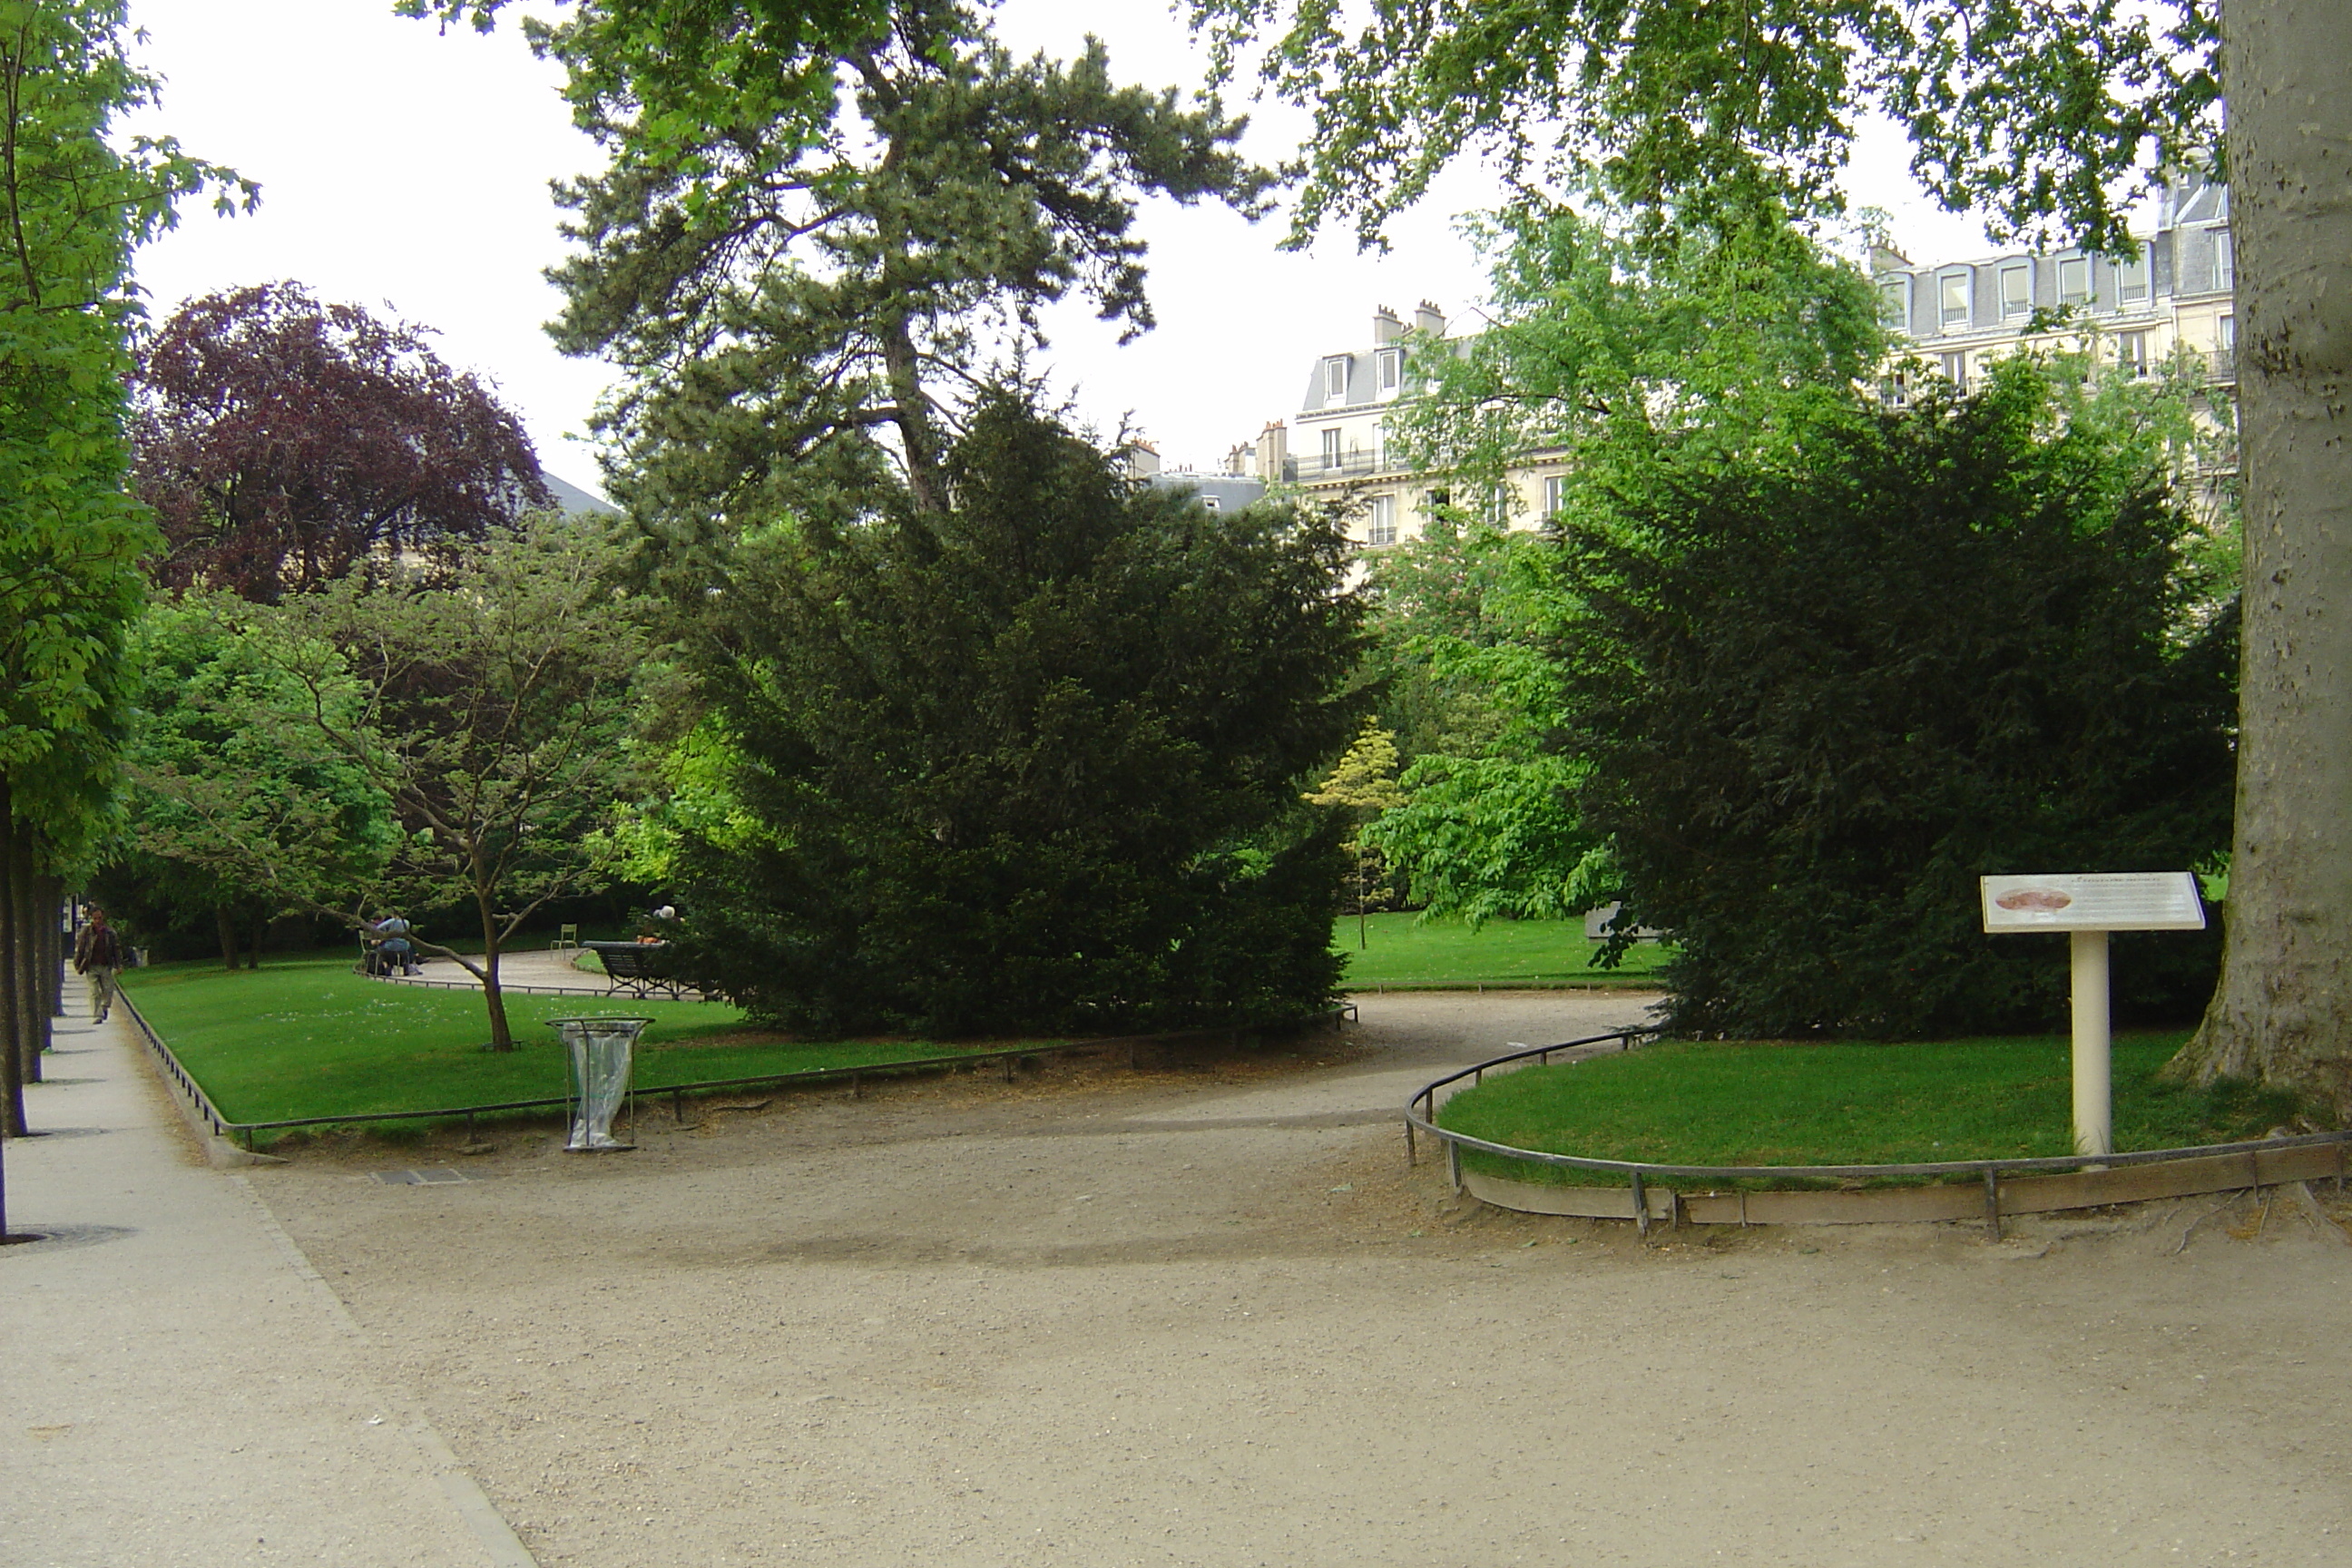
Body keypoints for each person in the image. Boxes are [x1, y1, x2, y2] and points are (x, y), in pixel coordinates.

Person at [73, 906, 124, 1024]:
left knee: (108, 990)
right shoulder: (86, 932)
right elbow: (80, 948)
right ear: (91, 919)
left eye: (99, 918)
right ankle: (97, 1015)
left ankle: (104, 1007)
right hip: (91, 965)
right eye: (95, 918)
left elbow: (116, 949)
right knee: (94, 991)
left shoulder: (110, 933)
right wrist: (77, 964)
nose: (97, 921)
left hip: (106, 965)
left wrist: (119, 964)